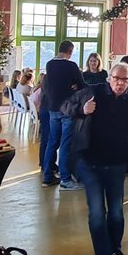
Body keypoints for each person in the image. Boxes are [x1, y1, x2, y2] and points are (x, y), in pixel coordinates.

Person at [64, 64, 128, 255]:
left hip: (117, 163)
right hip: (91, 163)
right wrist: (82, 110)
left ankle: (115, 248)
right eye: (117, 78)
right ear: (109, 78)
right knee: (97, 213)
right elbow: (64, 106)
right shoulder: (92, 92)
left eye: (125, 80)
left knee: (116, 212)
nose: (120, 83)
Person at [42, 41, 87, 189]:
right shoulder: (71, 65)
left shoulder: (49, 64)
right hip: (67, 108)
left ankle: (47, 176)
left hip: (52, 107)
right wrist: (75, 86)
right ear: (70, 52)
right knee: (65, 144)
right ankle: (65, 179)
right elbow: (82, 84)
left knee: (52, 141)